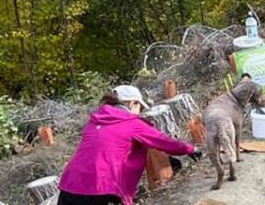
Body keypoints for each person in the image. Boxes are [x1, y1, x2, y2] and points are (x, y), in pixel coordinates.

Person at [58, 85, 196, 205]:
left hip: (69, 185)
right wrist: (190, 149)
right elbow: (164, 142)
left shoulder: (94, 122)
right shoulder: (132, 124)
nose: (139, 112)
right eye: (140, 108)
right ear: (133, 104)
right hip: (101, 187)